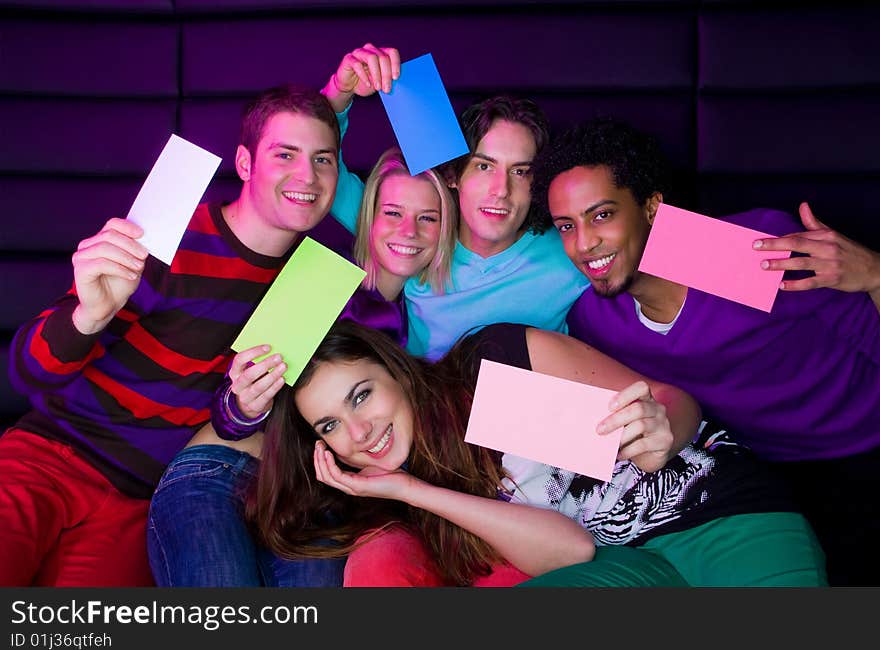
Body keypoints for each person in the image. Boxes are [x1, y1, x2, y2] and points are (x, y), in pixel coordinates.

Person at [1, 84, 343, 586]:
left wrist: (245, 409)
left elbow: (226, 423)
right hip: (50, 456)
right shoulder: (167, 234)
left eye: (323, 160)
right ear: (246, 164)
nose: (306, 177)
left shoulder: (311, 286)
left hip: (142, 500)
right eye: (284, 154)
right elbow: (25, 372)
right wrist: (87, 316)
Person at [530, 117, 880, 585]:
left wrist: (876, 273)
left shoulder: (738, 253)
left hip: (864, 446)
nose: (584, 243)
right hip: (760, 479)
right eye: (566, 226)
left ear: (652, 206)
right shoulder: (595, 319)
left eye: (602, 215)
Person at [248, 319, 826, 587]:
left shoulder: (489, 364)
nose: (359, 430)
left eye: (362, 395)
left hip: (720, 516)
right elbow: (571, 549)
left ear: (395, 370)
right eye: (331, 424)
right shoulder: (411, 489)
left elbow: (672, 399)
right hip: (622, 561)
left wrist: (662, 429)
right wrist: (409, 490)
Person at [147, 147, 458, 586]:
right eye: (393, 212)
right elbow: (229, 414)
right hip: (222, 471)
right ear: (369, 217)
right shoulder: (321, 283)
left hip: (312, 500)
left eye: (428, 217)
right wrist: (244, 404)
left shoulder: (423, 322)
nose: (409, 230)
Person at [326, 46, 590, 361]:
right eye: (484, 166)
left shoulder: (571, 248)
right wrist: (338, 93)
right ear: (455, 175)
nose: (501, 190)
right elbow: (325, 179)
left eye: (520, 171)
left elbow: (642, 235)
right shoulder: (419, 236)